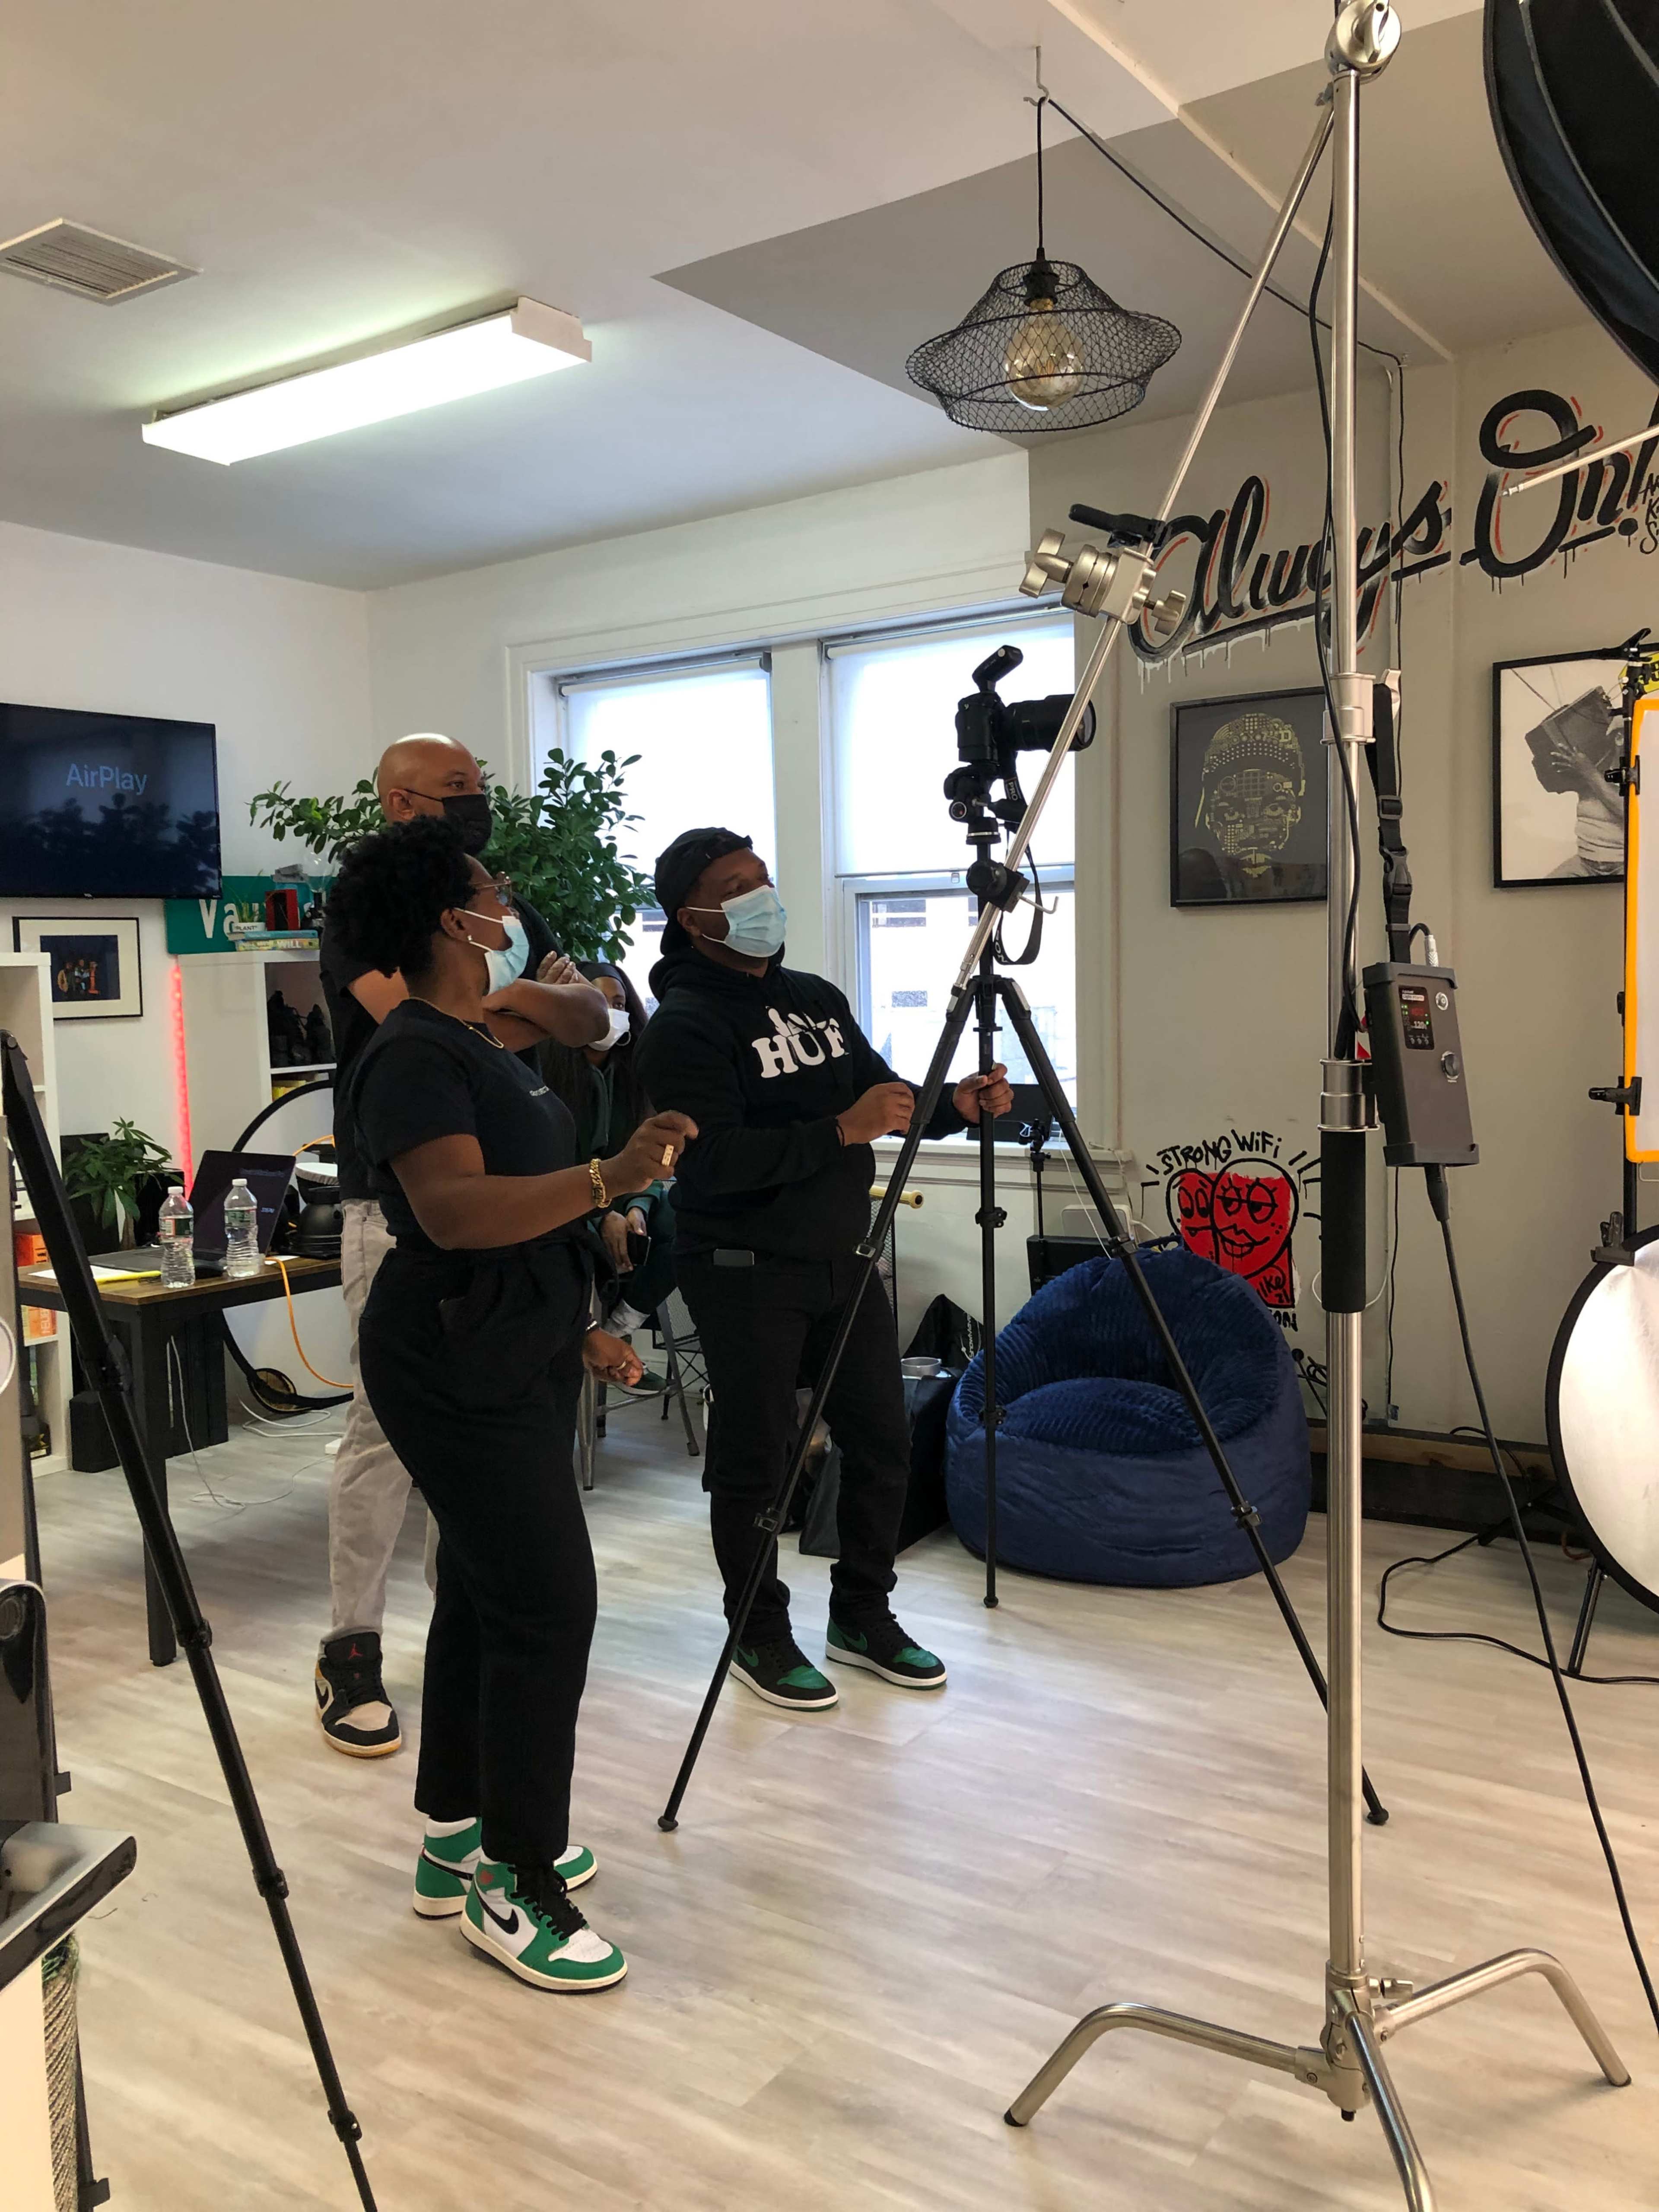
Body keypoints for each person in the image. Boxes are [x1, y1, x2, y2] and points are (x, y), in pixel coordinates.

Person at [330, 816, 694, 1990]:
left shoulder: (474, 1042)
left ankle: (456, 1833)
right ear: (453, 919)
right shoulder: (413, 1055)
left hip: (511, 1343)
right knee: (548, 1607)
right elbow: (454, 1215)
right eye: (493, 898)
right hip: (452, 1361)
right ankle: (516, 1880)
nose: (511, 918)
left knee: (491, 1600)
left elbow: (520, 1203)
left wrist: (590, 1264)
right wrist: (607, 1176)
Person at [637, 827, 1012, 1710]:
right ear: (694, 918)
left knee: (882, 1442)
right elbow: (710, 1160)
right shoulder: (684, 1027)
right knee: (757, 1461)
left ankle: (863, 1613)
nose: (761, 898)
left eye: (762, 879)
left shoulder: (816, 998)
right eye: (736, 888)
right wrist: (838, 1133)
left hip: (844, 1261)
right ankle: (758, 1633)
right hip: (744, 1268)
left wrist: (952, 1105)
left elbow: (882, 1097)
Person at [315, 732, 595, 1756]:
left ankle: (470, 1632)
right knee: (387, 1432)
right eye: (454, 791)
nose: (474, 803)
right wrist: (516, 1005)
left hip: (514, 1194)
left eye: (477, 788)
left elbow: (592, 1011)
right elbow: (430, 1027)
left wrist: (507, 1005)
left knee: (488, 1443)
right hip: (399, 1204)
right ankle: (349, 1649)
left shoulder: (494, 896)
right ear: (398, 802)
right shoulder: (365, 906)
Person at [540, 960, 675, 1385]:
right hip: (565, 1205)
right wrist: (602, 1215)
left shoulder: (639, 1070)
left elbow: (655, 1159)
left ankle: (617, 1329)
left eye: (618, 1003)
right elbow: (547, 1170)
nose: (610, 1013)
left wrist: (635, 1207)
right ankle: (590, 1341)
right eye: (599, 1002)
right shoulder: (545, 1068)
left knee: (692, 1214)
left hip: (628, 1196)